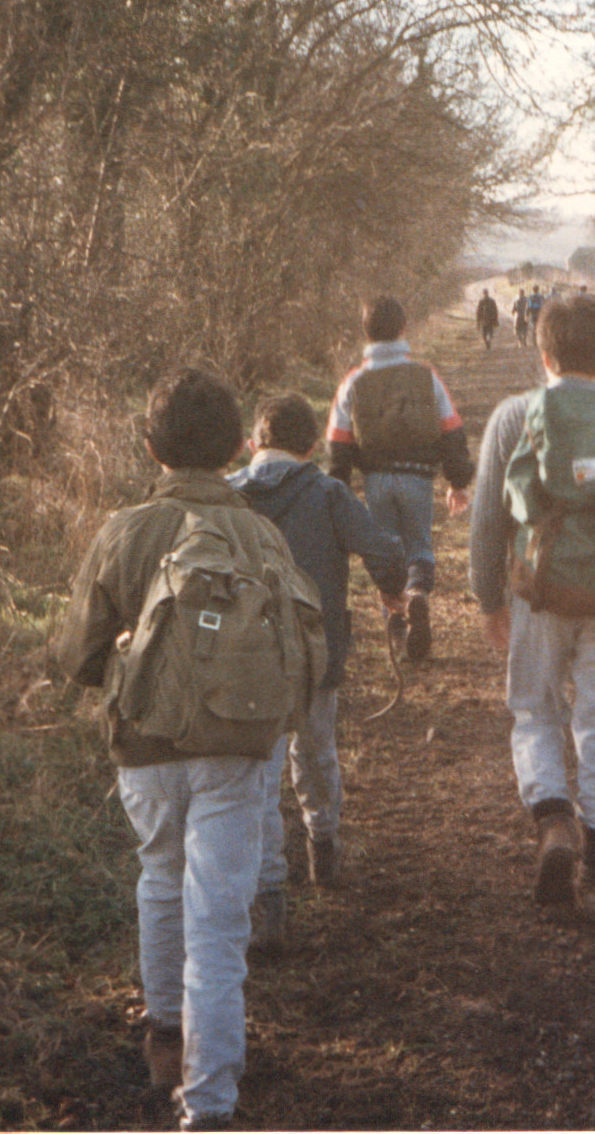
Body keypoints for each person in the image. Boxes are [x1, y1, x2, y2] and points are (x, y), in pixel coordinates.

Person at [55, 369, 309, 1132]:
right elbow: (303, 646)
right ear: (236, 446)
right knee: (219, 918)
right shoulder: (262, 534)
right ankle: (211, 1098)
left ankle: (164, 1039)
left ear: (150, 445)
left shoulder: (124, 530)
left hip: (147, 743)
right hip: (238, 743)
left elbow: (76, 653)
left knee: (161, 878)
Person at [469, 293, 595, 923]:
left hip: (538, 591)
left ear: (543, 352)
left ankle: (553, 819)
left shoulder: (514, 415)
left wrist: (489, 597)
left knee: (535, 710)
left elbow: (488, 519)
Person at [228, 393, 408, 946]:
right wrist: (392, 591)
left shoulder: (228, 495)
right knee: (315, 751)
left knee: (259, 775)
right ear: (311, 447)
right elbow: (382, 551)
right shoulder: (329, 493)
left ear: (254, 444)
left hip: (244, 657)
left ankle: (268, 898)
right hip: (316, 652)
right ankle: (322, 843)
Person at [327, 295, 473, 661]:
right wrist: (457, 482)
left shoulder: (353, 381)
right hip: (418, 478)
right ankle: (418, 594)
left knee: (388, 552)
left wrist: (337, 492)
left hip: (376, 480)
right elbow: (451, 429)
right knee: (419, 545)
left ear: (366, 332)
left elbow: (338, 442)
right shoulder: (427, 376)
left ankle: (395, 626)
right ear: (404, 329)